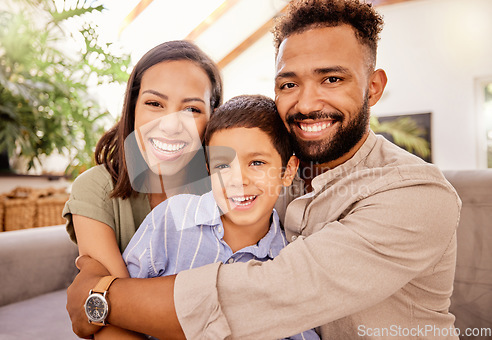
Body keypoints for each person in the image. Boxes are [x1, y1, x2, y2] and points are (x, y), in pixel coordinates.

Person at [67, 0, 461, 339]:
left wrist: (100, 295)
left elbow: (265, 297)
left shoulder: (416, 193)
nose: (307, 103)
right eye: (288, 84)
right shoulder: (263, 178)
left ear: (373, 87)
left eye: (333, 78)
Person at [123, 94, 319, 340]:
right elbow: (118, 303)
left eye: (257, 162)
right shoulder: (170, 219)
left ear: (288, 171)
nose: (238, 180)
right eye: (223, 166)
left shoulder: (289, 263)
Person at [62, 40, 222, 339]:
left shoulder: (229, 191)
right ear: (133, 108)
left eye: (191, 109)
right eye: (154, 103)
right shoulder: (96, 188)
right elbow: (117, 320)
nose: (171, 125)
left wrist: (111, 297)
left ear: (212, 119)